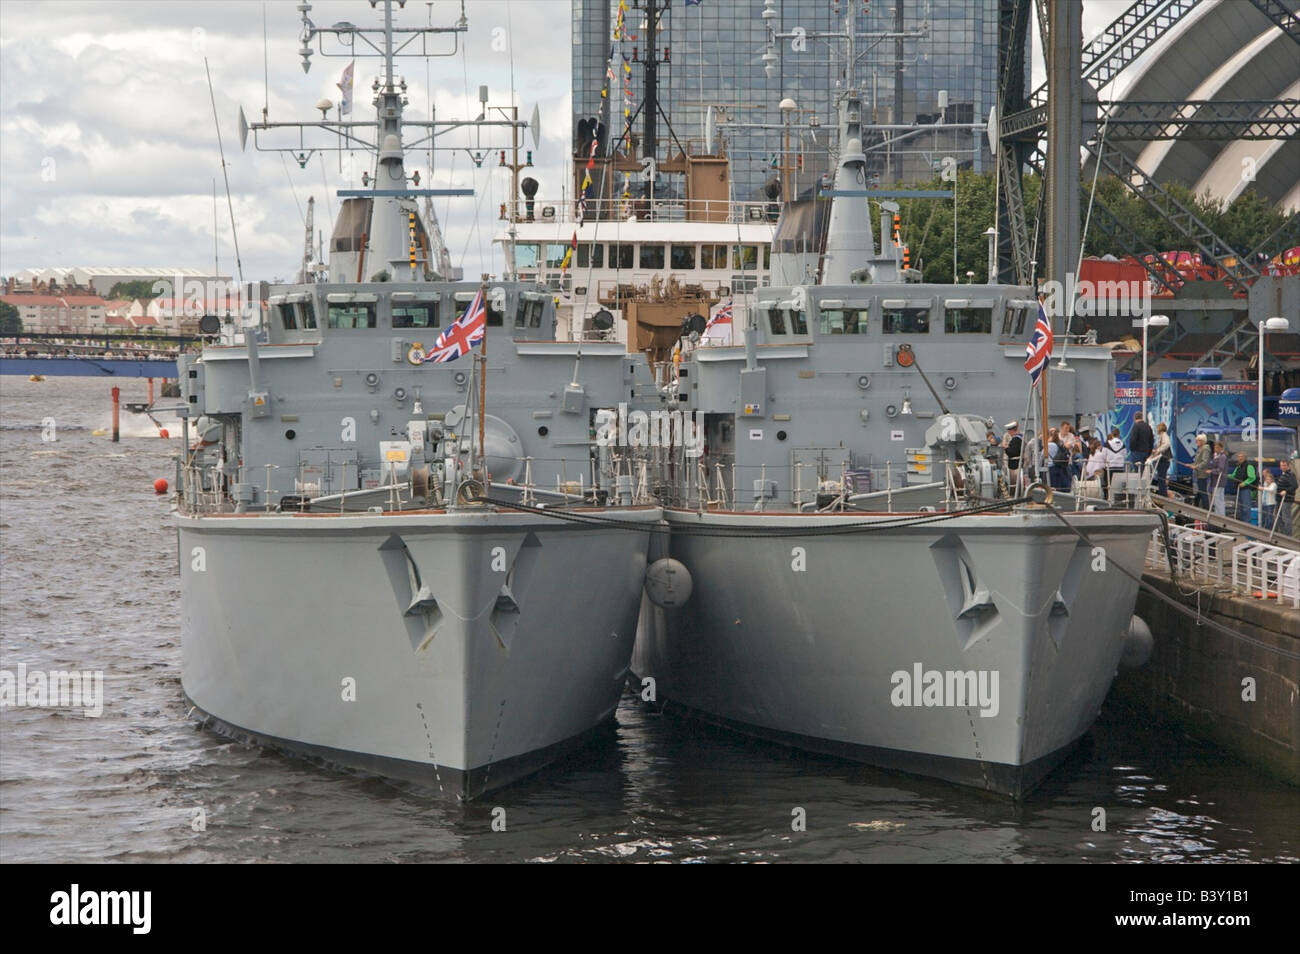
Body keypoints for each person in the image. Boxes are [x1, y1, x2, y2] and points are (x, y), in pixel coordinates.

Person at [1228, 452, 1259, 522]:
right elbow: (1233, 475)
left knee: (1246, 507)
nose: (1240, 458)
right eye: (1239, 456)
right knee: (1241, 507)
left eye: (1241, 456)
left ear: (1245, 457)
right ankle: (1242, 522)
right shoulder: (1238, 466)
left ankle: (1247, 523)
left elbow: (1252, 477)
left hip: (1246, 489)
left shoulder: (1249, 466)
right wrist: (1225, 475)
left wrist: (1244, 483)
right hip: (1239, 489)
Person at [1148, 422, 1172, 497]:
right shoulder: (1162, 436)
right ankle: (1162, 494)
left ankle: (1163, 495)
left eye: (1157, 428)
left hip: (1164, 461)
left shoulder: (1164, 436)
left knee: (1161, 479)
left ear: (1160, 428)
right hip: (1162, 461)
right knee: (1161, 479)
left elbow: (1166, 444)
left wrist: (1158, 450)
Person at [1275, 458, 1297, 536]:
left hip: (1286, 499)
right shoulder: (1282, 474)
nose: (1283, 467)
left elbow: (1295, 485)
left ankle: (1288, 535)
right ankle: (1282, 533)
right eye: (1281, 465)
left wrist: (1286, 491)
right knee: (1278, 517)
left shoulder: (1291, 474)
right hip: (1279, 499)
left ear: (1288, 466)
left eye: (1284, 465)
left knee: (1286, 518)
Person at [1191, 433, 1211, 508]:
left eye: (1197, 441)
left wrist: (1196, 467)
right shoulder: (1200, 449)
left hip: (1202, 474)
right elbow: (1197, 461)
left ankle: (1206, 508)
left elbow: (1205, 462)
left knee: (1202, 491)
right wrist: (1191, 465)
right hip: (1197, 474)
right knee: (1199, 492)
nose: (1196, 442)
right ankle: (1196, 506)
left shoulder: (1205, 449)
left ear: (1202, 441)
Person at [1209, 442, 1229, 516]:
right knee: (1216, 499)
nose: (1215, 449)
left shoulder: (1222, 457)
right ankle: (1218, 514)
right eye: (1215, 447)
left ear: (1221, 448)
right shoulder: (1216, 456)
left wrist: (1211, 471)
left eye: (1217, 447)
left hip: (1219, 481)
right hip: (1215, 481)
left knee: (1218, 499)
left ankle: (1220, 515)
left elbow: (1220, 469)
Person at [1003, 421, 1022, 488]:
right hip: (1017, 463)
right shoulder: (1020, 437)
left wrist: (1006, 448)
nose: (1008, 432)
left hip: (1015, 466)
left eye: (1009, 430)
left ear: (1012, 430)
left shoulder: (1016, 439)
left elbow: (1013, 453)